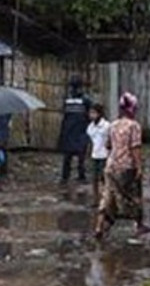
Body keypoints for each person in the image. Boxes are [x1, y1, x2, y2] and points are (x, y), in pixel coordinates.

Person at [93, 92, 145, 240]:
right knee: (134, 196)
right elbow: (135, 148)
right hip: (126, 167)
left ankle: (99, 227)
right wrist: (139, 167)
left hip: (111, 166)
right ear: (132, 108)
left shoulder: (113, 125)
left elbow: (108, 145)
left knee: (108, 197)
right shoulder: (134, 126)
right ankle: (139, 225)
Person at [58, 76, 92, 184]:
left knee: (75, 155)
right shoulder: (83, 100)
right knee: (73, 155)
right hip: (75, 130)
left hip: (76, 130)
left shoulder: (75, 100)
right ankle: (69, 176)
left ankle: (70, 176)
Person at [86, 104, 112, 206]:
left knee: (104, 179)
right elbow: (90, 141)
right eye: (90, 113)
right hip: (95, 155)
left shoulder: (106, 126)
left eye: (94, 113)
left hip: (104, 155)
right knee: (94, 179)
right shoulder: (90, 127)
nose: (91, 115)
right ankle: (96, 200)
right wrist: (88, 153)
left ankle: (106, 199)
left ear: (100, 114)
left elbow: (111, 140)